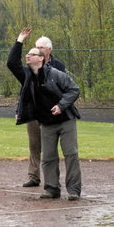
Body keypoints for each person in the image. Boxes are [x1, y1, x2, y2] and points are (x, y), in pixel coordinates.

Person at [7, 28, 82, 200]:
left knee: (70, 154)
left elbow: (74, 89)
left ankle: (73, 190)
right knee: (48, 157)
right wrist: (19, 40)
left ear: (41, 58)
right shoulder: (26, 75)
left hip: (65, 119)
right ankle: (52, 189)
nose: (28, 56)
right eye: (27, 54)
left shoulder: (56, 73)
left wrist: (61, 106)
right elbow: (12, 63)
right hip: (46, 121)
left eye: (32, 54)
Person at [18, 33, 67, 188]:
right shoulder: (30, 67)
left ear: (49, 50)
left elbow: (63, 88)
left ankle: (52, 180)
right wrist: (19, 109)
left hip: (50, 113)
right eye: (36, 47)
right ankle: (34, 177)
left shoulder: (58, 66)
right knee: (34, 145)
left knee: (50, 148)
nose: (38, 50)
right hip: (33, 112)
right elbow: (25, 90)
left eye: (41, 47)